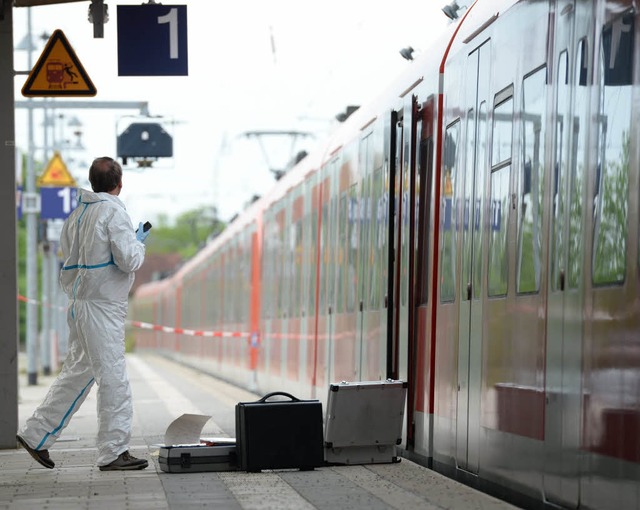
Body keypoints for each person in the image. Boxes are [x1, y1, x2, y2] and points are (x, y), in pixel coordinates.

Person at [17, 157, 151, 471]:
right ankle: (113, 452)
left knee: (77, 375)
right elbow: (129, 260)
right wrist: (138, 242)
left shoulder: (77, 215)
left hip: (80, 305)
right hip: (103, 308)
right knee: (114, 379)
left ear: (93, 183)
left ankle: (36, 434)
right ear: (120, 184)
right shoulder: (114, 212)